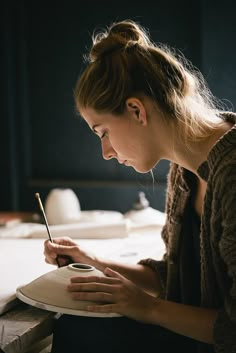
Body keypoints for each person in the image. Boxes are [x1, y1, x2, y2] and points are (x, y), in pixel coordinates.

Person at [44, 19, 236, 353]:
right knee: (77, 325)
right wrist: (94, 260)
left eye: (102, 132)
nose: (105, 153)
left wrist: (147, 308)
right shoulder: (184, 169)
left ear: (136, 110)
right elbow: (175, 278)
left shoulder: (231, 174)